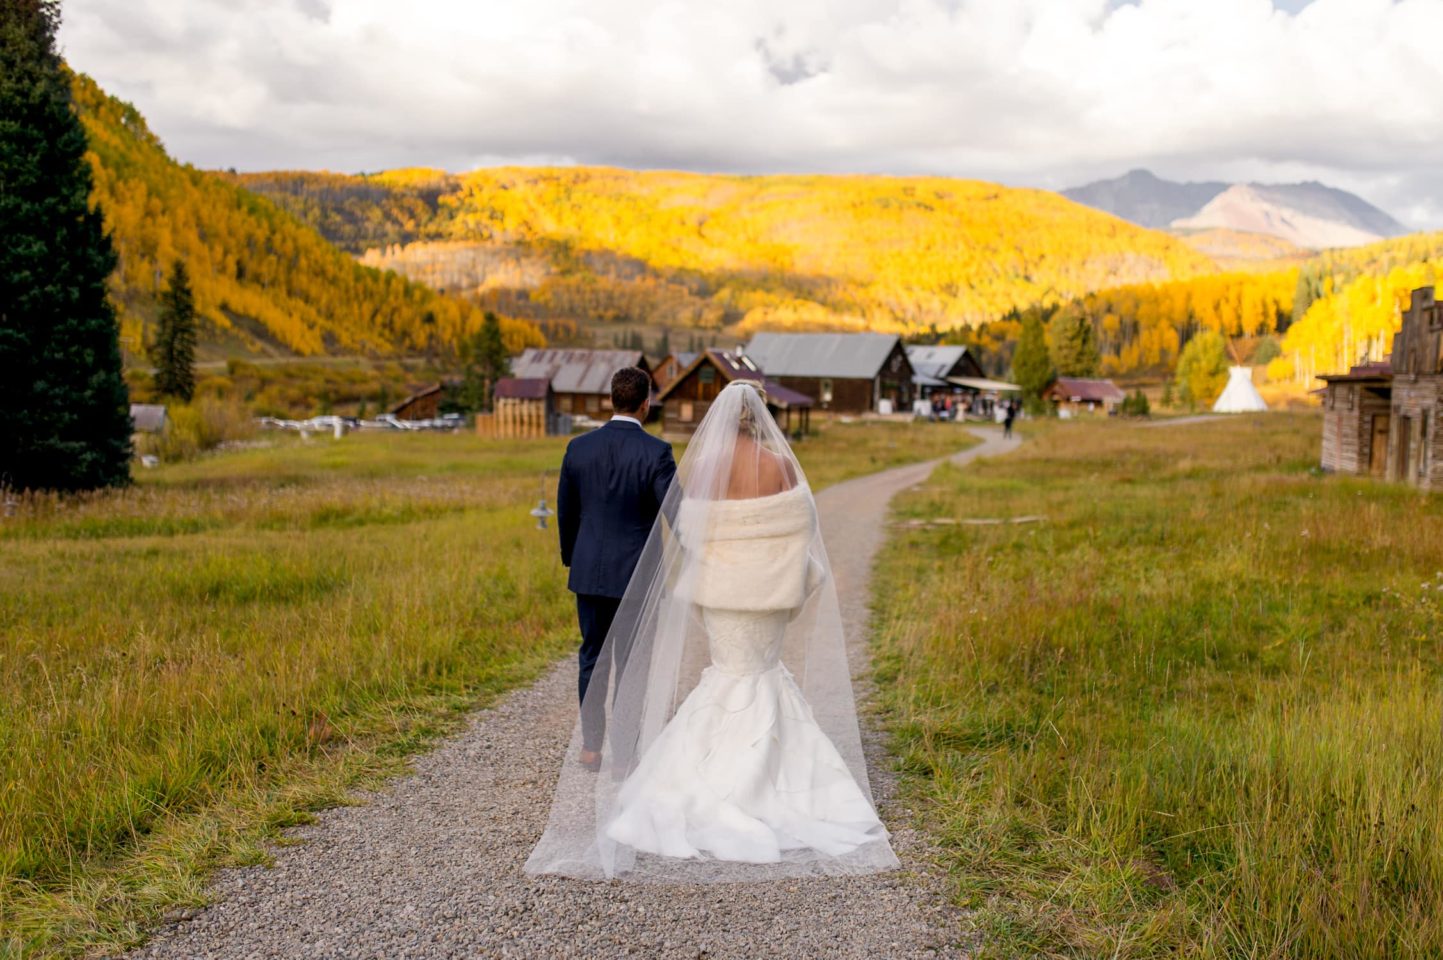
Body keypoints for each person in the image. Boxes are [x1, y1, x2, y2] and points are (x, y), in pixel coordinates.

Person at [527, 381, 898, 882]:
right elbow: (800, 524)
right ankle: (763, 778)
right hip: (766, 594)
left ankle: (610, 752)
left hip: (714, 593)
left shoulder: (696, 467)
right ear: (761, 414)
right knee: (755, 672)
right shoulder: (780, 465)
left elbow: (690, 528)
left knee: (614, 659)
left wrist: (706, 568)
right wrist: (786, 571)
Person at [556, 367, 675, 772]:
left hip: (589, 573)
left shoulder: (578, 448)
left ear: (613, 400)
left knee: (592, 658)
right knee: (631, 665)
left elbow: (566, 512)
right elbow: (675, 511)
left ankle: (591, 749)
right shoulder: (657, 453)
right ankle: (625, 757)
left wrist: (575, 559)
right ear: (645, 403)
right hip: (638, 579)